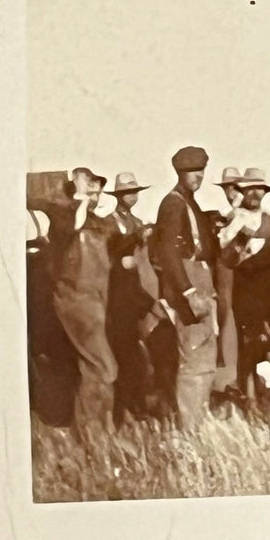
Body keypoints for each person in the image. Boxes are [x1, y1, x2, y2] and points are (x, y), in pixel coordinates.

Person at [28, 166, 122, 436]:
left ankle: (96, 430)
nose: (95, 188)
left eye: (98, 185)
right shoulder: (62, 214)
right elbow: (70, 227)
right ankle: (94, 433)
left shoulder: (98, 221)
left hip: (96, 302)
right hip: (76, 300)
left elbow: (116, 232)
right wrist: (80, 198)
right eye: (89, 182)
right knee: (104, 367)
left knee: (95, 366)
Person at [152, 146, 220, 426]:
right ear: (180, 173)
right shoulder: (174, 203)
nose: (198, 176)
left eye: (201, 170)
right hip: (190, 287)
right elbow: (167, 251)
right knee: (194, 362)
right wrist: (188, 292)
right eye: (191, 172)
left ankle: (198, 422)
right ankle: (191, 429)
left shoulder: (188, 202)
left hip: (200, 282)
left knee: (204, 361)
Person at [219, 168, 270, 403]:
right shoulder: (233, 220)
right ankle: (249, 401)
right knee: (248, 348)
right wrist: (243, 238)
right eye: (250, 189)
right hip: (247, 290)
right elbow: (228, 258)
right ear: (242, 190)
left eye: (259, 189)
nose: (255, 193)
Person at [104, 172, 159, 423]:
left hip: (135, 297)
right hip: (116, 298)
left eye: (135, 192)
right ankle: (122, 410)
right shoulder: (107, 223)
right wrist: (125, 255)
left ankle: (134, 406)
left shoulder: (137, 223)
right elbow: (106, 256)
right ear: (118, 196)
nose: (132, 196)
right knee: (123, 353)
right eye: (127, 192)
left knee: (136, 355)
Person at [210, 167, 244, 397]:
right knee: (226, 318)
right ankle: (230, 380)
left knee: (230, 318)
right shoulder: (226, 215)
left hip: (241, 275)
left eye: (233, 187)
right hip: (228, 277)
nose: (230, 192)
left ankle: (231, 378)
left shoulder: (243, 213)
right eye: (226, 188)